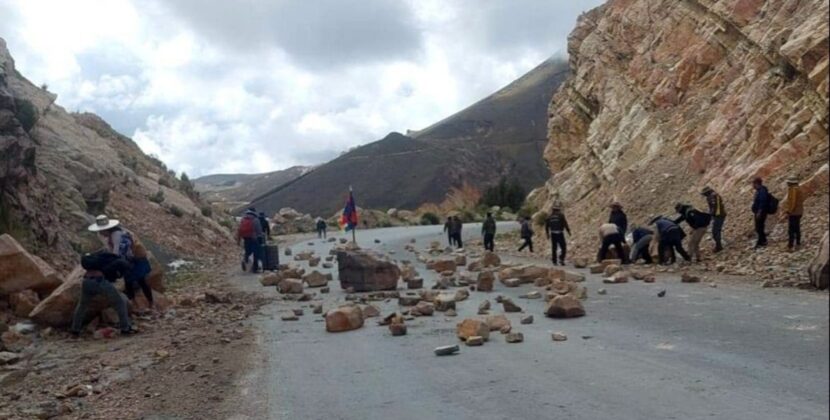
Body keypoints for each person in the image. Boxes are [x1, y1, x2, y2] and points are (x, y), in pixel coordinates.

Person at [88, 215, 154, 309]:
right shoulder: (113, 234)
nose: (100, 233)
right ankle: (136, 304)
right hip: (128, 259)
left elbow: (116, 252)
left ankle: (148, 303)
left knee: (140, 280)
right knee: (130, 282)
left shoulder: (117, 235)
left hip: (134, 258)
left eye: (101, 231)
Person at [70, 250, 136, 336]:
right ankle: (125, 328)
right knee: (120, 303)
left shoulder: (97, 259)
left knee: (82, 305)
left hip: (86, 281)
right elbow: (115, 276)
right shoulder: (120, 262)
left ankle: (75, 329)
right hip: (100, 282)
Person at [237, 209, 263, 273]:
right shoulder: (255, 219)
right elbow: (259, 231)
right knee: (256, 253)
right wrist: (260, 237)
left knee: (247, 251)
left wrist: (238, 240)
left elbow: (239, 229)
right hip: (254, 238)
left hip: (245, 238)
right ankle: (255, 268)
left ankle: (245, 260)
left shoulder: (243, 219)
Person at [701, 186, 727, 252]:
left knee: (715, 231)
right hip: (718, 215)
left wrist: (711, 215)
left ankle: (719, 246)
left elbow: (715, 207)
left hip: (719, 215)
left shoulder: (713, 196)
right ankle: (719, 245)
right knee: (716, 231)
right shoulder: (712, 196)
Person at [783, 176, 805, 251]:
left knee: (791, 230)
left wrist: (789, 211)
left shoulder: (793, 190)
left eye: (788, 182)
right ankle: (798, 244)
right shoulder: (798, 188)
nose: (787, 183)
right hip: (799, 212)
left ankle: (790, 246)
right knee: (797, 228)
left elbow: (793, 202)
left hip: (794, 213)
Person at [751, 177, 770, 248]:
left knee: (759, 227)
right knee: (759, 227)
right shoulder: (760, 190)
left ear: (756, 184)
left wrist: (759, 211)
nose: (752, 185)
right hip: (759, 211)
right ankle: (761, 241)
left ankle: (763, 241)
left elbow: (763, 202)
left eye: (753, 184)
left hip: (761, 212)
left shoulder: (762, 191)